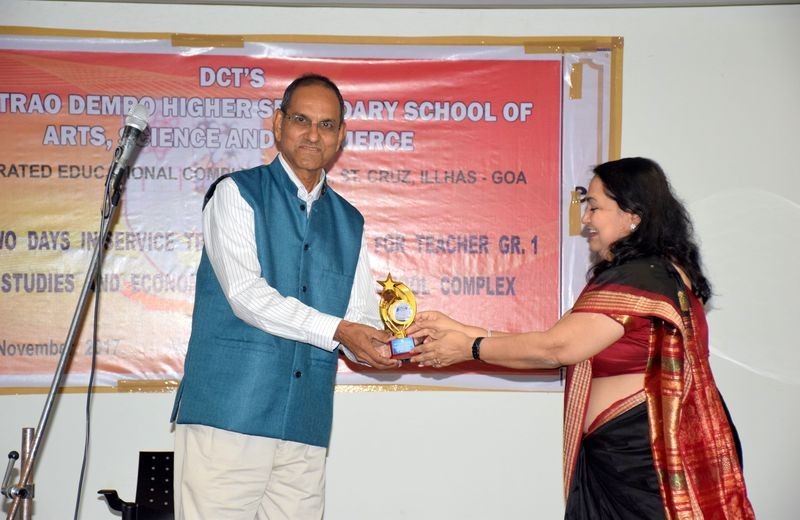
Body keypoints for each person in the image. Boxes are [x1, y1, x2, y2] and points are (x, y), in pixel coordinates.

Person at [408, 157, 754, 519]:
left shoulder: (641, 277)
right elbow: (554, 339)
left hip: (643, 459)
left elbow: (556, 349)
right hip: (623, 460)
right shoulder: (647, 274)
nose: (585, 219)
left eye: (594, 206)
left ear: (632, 214)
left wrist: (470, 348)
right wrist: (460, 330)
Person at [170, 73, 398, 520]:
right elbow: (246, 296)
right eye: (301, 120)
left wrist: (382, 347)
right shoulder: (235, 194)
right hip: (230, 415)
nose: (314, 134)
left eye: (327, 125)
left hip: (305, 423)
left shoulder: (350, 222)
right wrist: (341, 330)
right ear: (278, 124)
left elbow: (358, 316)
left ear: (341, 136)